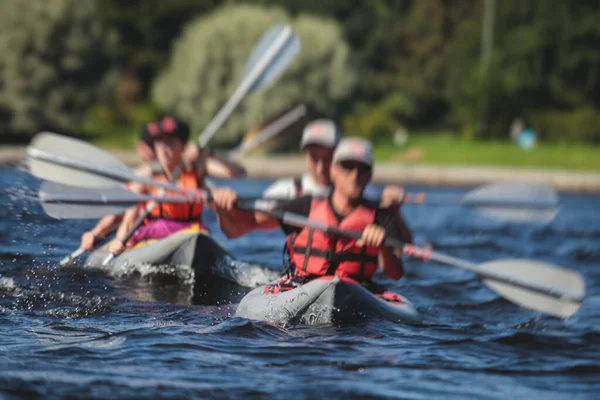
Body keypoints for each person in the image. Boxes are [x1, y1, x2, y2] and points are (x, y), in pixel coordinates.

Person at [210, 137, 413, 289]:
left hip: (356, 291)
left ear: (370, 175)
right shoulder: (304, 207)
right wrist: (223, 207)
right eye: (347, 166)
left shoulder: (381, 216)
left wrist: (383, 249)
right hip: (302, 287)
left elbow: (396, 273)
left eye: (362, 169)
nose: (354, 175)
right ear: (333, 170)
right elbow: (236, 229)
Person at [79, 117, 247, 253]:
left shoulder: (197, 168)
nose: (164, 149)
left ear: (183, 146)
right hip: (154, 233)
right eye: (160, 143)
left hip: (192, 233)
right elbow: (127, 214)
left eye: (171, 142)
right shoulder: (147, 174)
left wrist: (207, 152)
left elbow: (238, 172)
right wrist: (118, 240)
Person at [262, 119, 339, 198]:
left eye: (327, 159)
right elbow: (258, 209)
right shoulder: (284, 191)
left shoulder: (349, 194)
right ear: (306, 155)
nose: (320, 169)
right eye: (314, 158)